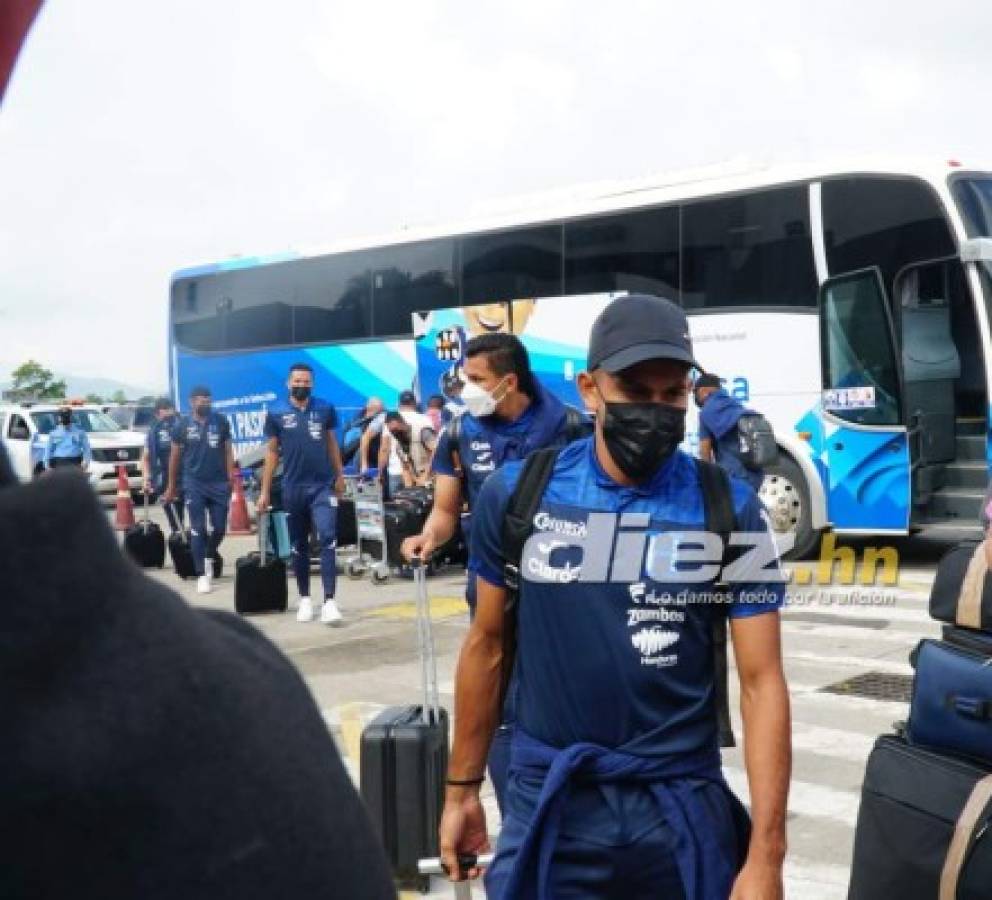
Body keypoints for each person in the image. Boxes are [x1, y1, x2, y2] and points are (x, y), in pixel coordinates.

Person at [440, 294, 791, 900]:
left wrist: (766, 859)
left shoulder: (727, 506)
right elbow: (488, 646)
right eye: (634, 390)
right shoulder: (518, 496)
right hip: (553, 800)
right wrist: (462, 790)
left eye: (672, 395)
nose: (655, 411)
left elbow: (762, 683)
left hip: (680, 807)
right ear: (590, 390)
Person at [0, 443, 395, 900]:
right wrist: (175, 483)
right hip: (212, 488)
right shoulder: (245, 665)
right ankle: (221, 572)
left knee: (314, 541)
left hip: (280, 486)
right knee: (208, 532)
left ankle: (319, 597)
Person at [402, 331, 591, 814]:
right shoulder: (460, 432)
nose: (467, 389)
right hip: (490, 590)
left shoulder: (571, 427)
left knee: (571, 702)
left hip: (562, 590)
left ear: (509, 382)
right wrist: (430, 536)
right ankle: (518, 821)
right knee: (500, 709)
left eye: (477, 380)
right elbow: (446, 508)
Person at [258, 363, 346, 626]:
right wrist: (264, 492)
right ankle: (305, 598)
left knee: (328, 536)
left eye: (306, 382)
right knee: (299, 544)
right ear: (288, 383)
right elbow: (272, 453)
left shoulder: (324, 409)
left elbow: (331, 444)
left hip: (321, 486)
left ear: (312, 384)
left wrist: (340, 475)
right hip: (292, 487)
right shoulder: (275, 413)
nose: (302, 385)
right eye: (297, 381)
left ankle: (330, 601)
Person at [162, 386, 236, 596]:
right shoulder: (181, 426)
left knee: (220, 528)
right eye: (200, 399)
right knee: (198, 528)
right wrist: (171, 486)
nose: (205, 402)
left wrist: (230, 475)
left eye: (208, 399)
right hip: (193, 483)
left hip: (219, 482)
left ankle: (209, 556)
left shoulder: (220, 422)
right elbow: (174, 457)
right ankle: (202, 575)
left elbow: (228, 450)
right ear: (192, 402)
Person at [694, 373, 766, 492]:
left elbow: (705, 452)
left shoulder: (706, 412)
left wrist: (707, 481)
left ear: (703, 391)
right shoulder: (735, 405)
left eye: (695, 393)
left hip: (734, 475)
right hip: (756, 475)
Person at [363, 390, 424, 498]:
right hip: (421, 473)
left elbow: (384, 449)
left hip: (395, 471)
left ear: (399, 404)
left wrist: (379, 472)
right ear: (415, 403)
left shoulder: (390, 420)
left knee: (398, 508)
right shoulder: (425, 419)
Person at [143, 396, 184, 525]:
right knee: (174, 518)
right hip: (163, 479)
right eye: (163, 412)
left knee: (193, 516)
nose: (167, 415)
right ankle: (179, 539)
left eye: (169, 410)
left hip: (186, 477)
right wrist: (146, 478)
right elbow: (146, 457)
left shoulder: (183, 426)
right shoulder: (153, 432)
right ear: (156, 414)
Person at [382, 410, 437, 489]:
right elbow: (405, 469)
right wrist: (409, 490)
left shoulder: (423, 432)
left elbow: (436, 452)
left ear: (403, 422)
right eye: (392, 431)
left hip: (435, 479)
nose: (395, 433)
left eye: (396, 429)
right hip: (419, 484)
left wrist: (425, 474)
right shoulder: (399, 447)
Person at [43, 405, 92, 471]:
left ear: (70, 417)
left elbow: (86, 448)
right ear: (59, 418)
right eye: (63, 416)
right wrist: (46, 464)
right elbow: (48, 449)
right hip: (59, 462)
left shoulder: (80, 432)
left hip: (75, 461)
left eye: (67, 416)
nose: (65, 418)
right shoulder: (54, 433)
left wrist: (86, 461)